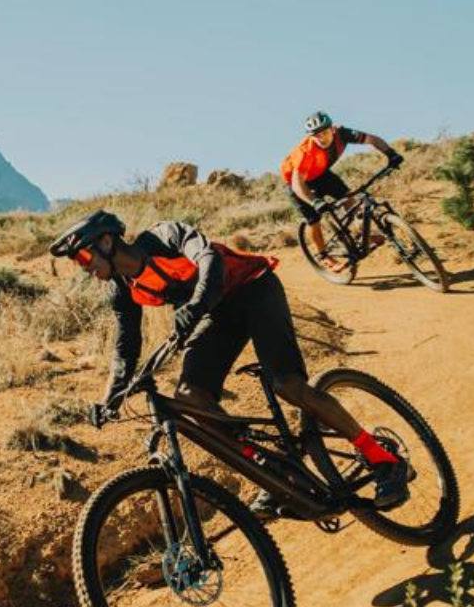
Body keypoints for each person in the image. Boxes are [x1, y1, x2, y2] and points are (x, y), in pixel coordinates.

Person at [49, 211, 407, 509]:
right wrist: (110, 396)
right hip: (216, 313)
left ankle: (382, 459)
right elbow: (126, 346)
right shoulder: (122, 291)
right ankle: (274, 471)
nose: (85, 268)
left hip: (254, 289)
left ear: (107, 242)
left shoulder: (163, 236)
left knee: (288, 385)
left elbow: (209, 258)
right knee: (190, 396)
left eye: (83, 257)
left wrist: (196, 305)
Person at [282, 112, 403, 271]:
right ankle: (323, 256)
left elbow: (372, 139)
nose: (321, 137)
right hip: (297, 184)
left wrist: (390, 153)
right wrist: (314, 201)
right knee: (314, 219)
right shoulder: (305, 152)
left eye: (324, 132)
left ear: (332, 129)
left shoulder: (343, 134)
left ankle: (362, 235)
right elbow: (298, 184)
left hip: (321, 174)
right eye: (316, 135)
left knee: (349, 198)